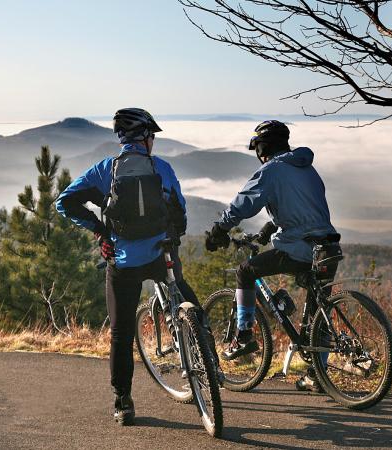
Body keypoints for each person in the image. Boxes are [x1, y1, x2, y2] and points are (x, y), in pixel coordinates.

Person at [56, 108, 201, 425]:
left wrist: (99, 230)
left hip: (123, 261)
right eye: (152, 137)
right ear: (146, 137)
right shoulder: (161, 168)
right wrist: (172, 237)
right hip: (160, 255)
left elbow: (64, 202)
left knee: (121, 334)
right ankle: (207, 358)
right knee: (187, 300)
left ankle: (123, 402)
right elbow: (180, 211)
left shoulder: (104, 170)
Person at [204, 120, 340, 392]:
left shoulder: (272, 170)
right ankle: (318, 376)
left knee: (245, 271)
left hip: (300, 247)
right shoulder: (306, 167)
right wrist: (271, 226)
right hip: (327, 247)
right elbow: (303, 208)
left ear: (262, 148)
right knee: (317, 312)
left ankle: (243, 336)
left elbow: (244, 203)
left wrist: (219, 229)